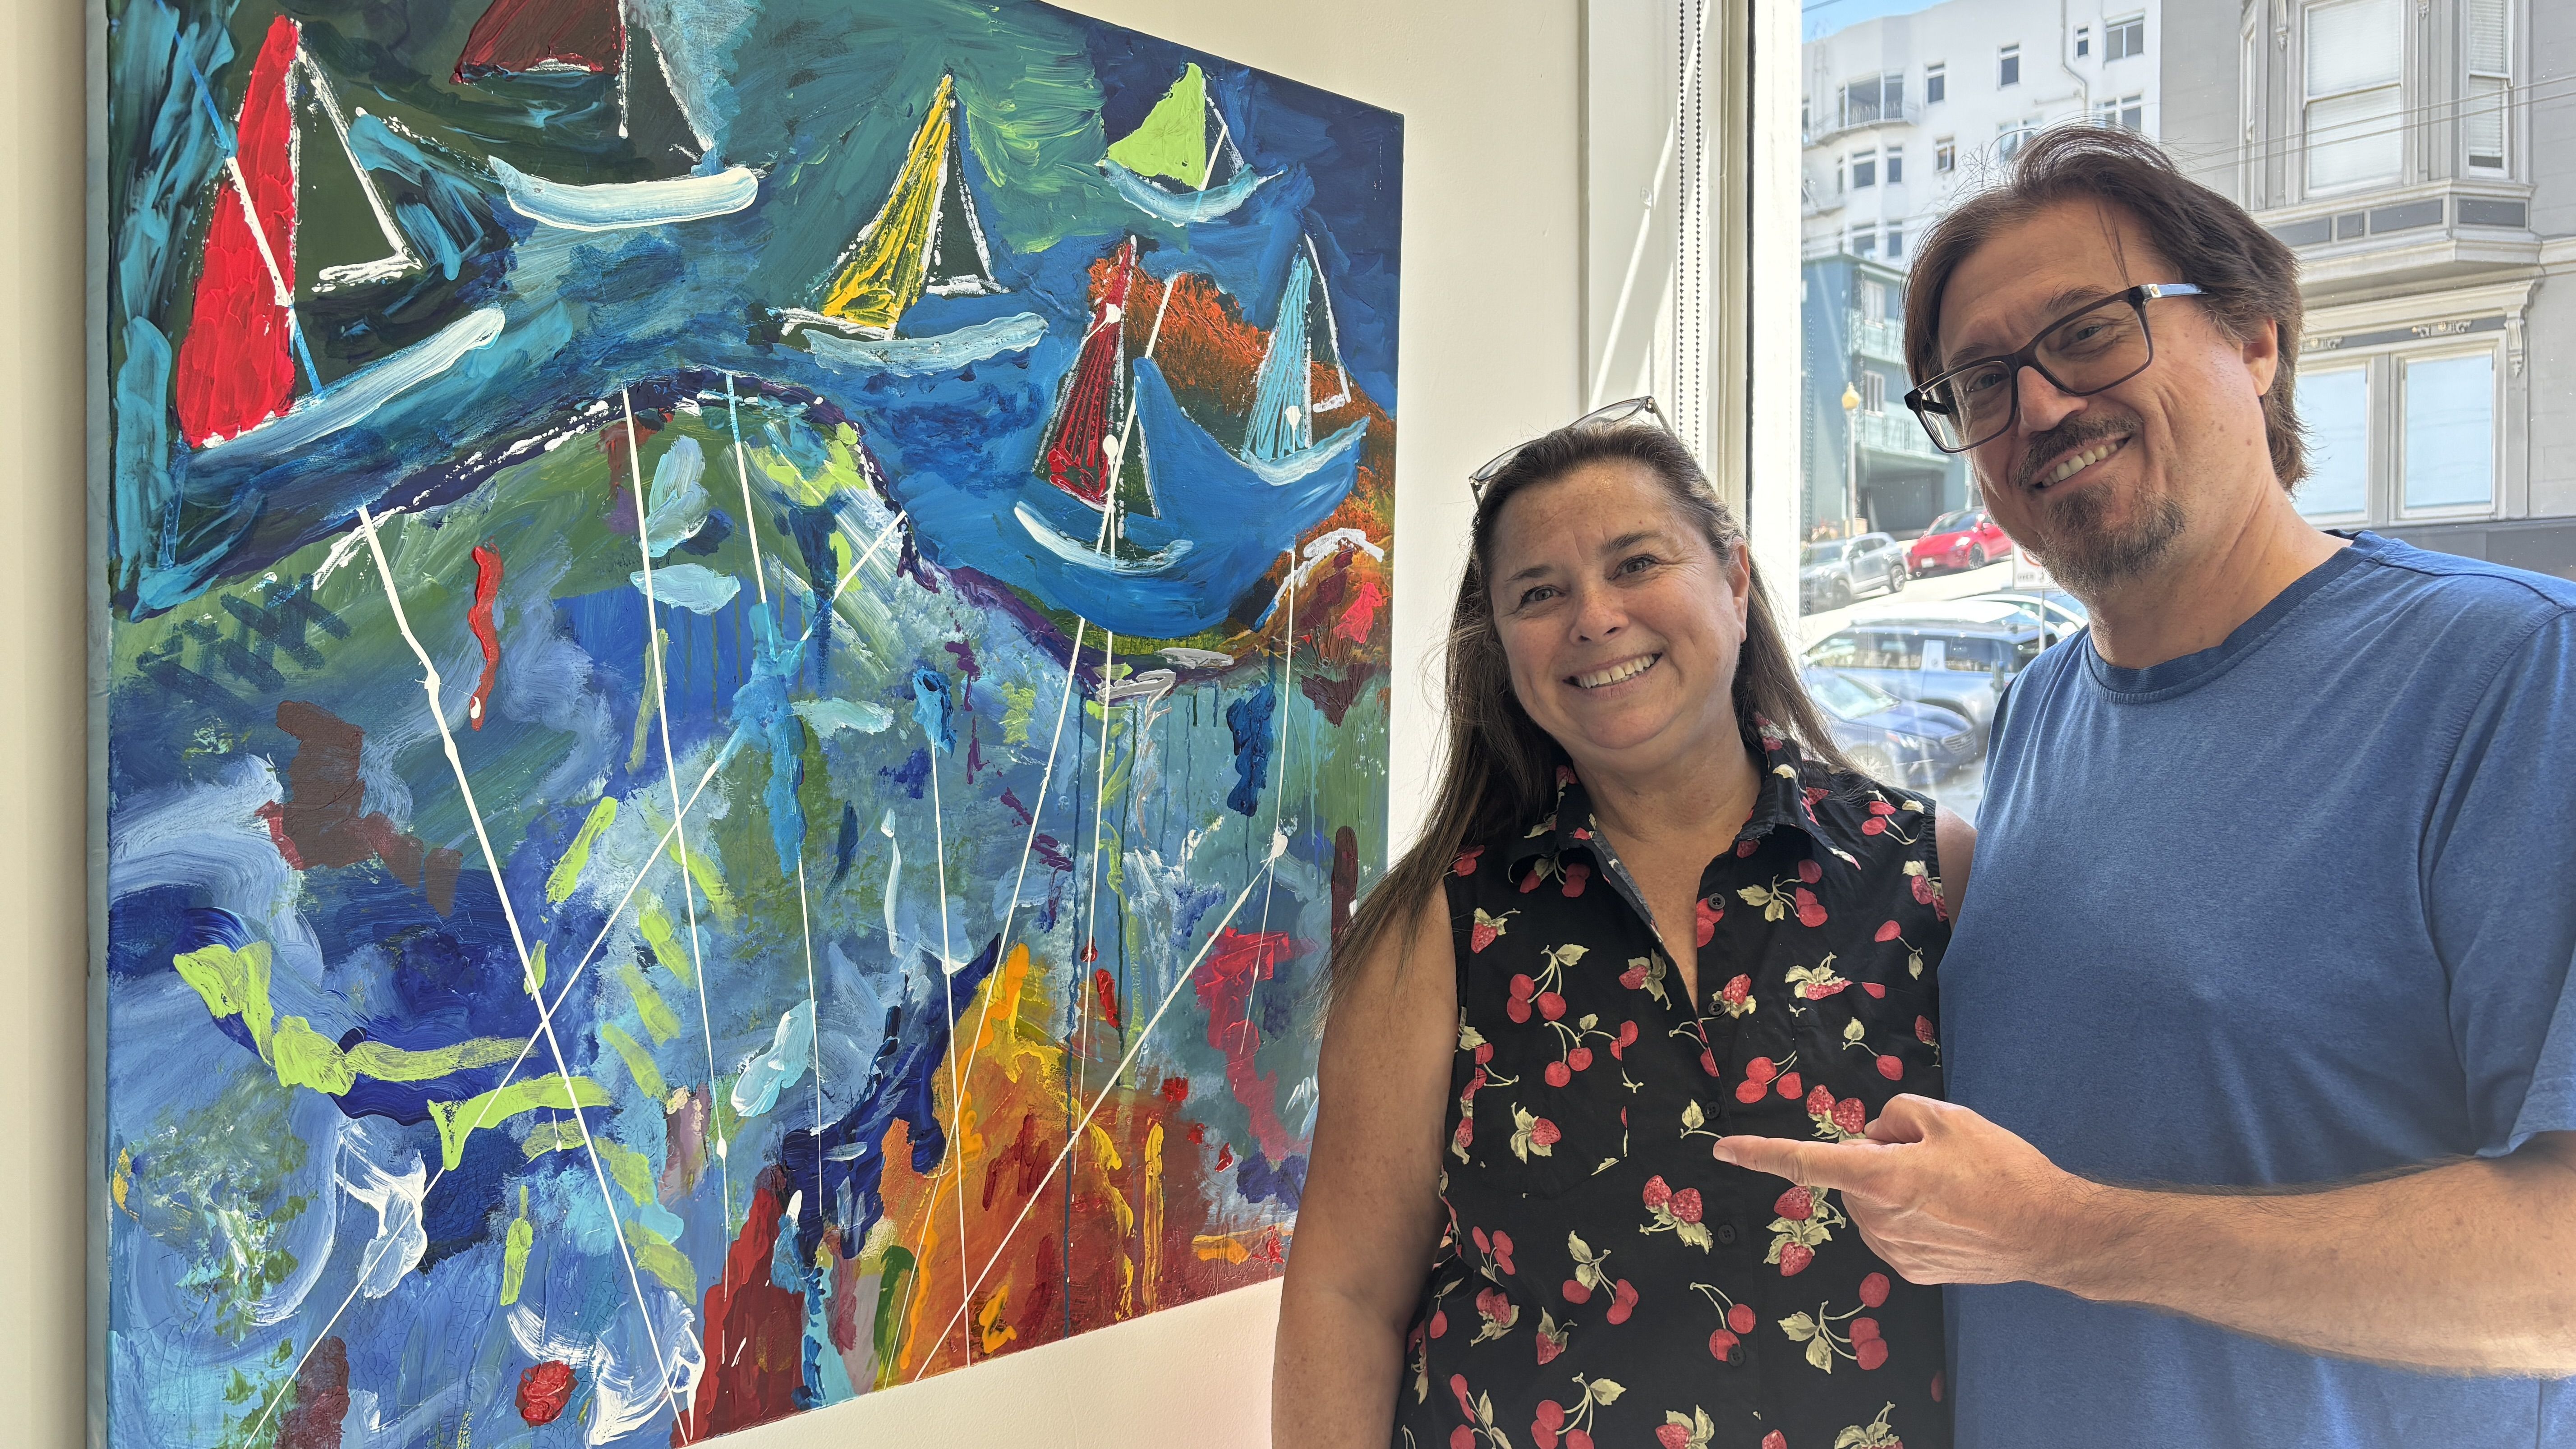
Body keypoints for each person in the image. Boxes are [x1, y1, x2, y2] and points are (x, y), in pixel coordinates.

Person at [1711, 128, 2576, 1446]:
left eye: (2091, 332)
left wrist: (2058, 1230)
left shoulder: (2516, 672)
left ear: (2259, 336)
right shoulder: (2045, 709)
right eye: (1983, 382)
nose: (2041, 407)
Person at [1274, 404, 1973, 1449]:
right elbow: (1344, 1294)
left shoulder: (1930, 874)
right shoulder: (1436, 933)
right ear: (1503, 645)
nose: (1593, 617)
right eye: (1539, 593)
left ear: (1734, 581)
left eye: (1635, 562)